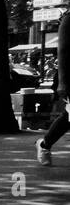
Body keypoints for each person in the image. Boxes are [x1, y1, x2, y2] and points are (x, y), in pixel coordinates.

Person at [36, 10, 70, 165]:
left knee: (68, 117)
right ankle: (44, 144)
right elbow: (62, 51)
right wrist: (63, 81)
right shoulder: (69, 19)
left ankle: (45, 144)